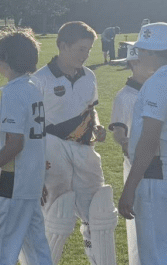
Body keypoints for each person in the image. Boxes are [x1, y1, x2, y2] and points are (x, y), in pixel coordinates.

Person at [29, 20, 116, 265]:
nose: (86, 55)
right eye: (81, 49)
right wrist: (35, 169)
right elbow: (30, 129)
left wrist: (97, 126)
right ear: (62, 46)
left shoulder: (89, 77)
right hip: (52, 151)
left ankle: (99, 260)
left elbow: (91, 109)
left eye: (89, 49)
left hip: (85, 151)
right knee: (56, 215)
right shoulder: (40, 80)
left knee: (98, 215)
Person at [0, 29, 52, 265]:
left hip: (12, 183)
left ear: (5, 59)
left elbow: (15, 144)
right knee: (36, 249)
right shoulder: (33, 87)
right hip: (30, 181)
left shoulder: (14, 92)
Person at [117, 22, 167, 265]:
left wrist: (130, 186)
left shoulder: (157, 84)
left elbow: (150, 141)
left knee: (155, 254)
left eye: (143, 50)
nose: (138, 55)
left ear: (153, 53)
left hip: (156, 175)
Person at [108, 43, 155, 265]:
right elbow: (118, 131)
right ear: (133, 63)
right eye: (145, 62)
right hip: (137, 165)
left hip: (161, 165)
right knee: (140, 225)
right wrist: (126, 144)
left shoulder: (157, 90)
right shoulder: (124, 96)